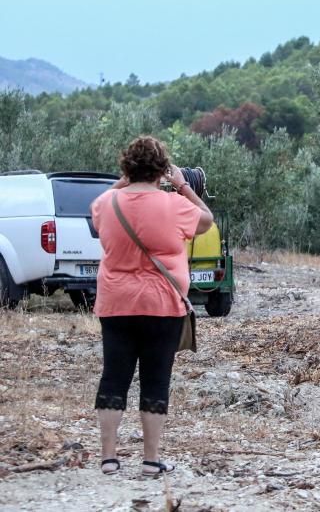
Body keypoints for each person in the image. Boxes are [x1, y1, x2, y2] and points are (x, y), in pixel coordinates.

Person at [90, 136, 213, 475]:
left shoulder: (107, 202)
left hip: (115, 303)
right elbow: (207, 220)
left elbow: (97, 212)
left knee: (114, 377)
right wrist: (183, 185)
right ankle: (151, 459)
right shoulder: (175, 206)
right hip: (163, 304)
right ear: (161, 169)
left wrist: (123, 181)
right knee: (156, 379)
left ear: (126, 168)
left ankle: (109, 459)